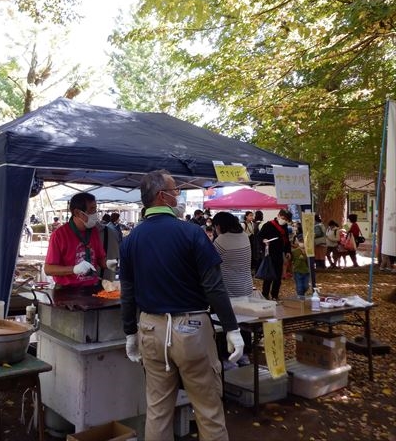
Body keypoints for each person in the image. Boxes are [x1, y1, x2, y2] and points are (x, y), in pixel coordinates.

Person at [120, 170, 244, 441]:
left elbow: (127, 292)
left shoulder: (130, 241)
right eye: (175, 190)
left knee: (157, 410)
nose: (178, 194)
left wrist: (130, 331)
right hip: (192, 330)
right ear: (162, 196)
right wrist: (232, 329)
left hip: (150, 330)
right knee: (208, 409)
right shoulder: (191, 233)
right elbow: (214, 286)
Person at [212, 211, 254, 367]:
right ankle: (244, 355)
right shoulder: (244, 236)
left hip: (228, 287)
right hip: (246, 286)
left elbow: (210, 262)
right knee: (244, 321)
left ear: (219, 225)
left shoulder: (221, 241)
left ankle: (227, 357)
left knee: (225, 321)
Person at [44, 192, 107, 287]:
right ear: (77, 212)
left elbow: (100, 259)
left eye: (95, 209)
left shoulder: (93, 231)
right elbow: (48, 269)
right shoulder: (59, 234)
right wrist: (74, 269)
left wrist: (112, 263)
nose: (95, 214)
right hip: (66, 290)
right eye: (92, 210)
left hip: (91, 287)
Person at [258, 209, 292, 300]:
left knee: (278, 276)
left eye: (286, 220)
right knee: (268, 276)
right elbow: (259, 237)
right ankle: (265, 294)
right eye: (283, 218)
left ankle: (275, 295)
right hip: (269, 254)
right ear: (278, 215)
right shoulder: (268, 225)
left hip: (279, 254)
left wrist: (288, 251)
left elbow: (286, 240)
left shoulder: (284, 226)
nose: (284, 220)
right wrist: (264, 241)